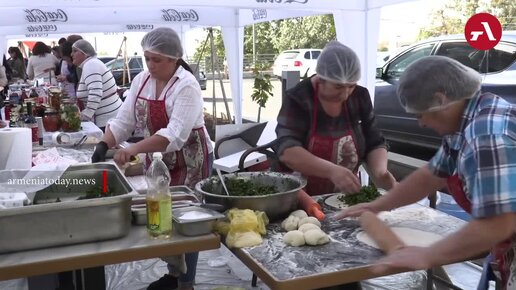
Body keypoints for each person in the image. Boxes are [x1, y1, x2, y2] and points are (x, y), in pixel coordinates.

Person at [336, 56, 516, 290]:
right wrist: (378, 205)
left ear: (441, 100)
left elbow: (497, 224)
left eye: (420, 115)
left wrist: (426, 256)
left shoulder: (486, 135)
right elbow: (431, 174)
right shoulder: (469, 119)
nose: (420, 124)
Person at [90, 27, 213, 290]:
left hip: (189, 159)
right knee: (161, 214)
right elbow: (125, 120)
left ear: (174, 59)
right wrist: (105, 142)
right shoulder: (142, 80)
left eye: (157, 59)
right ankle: (174, 273)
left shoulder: (186, 86)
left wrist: (134, 150)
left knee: (185, 218)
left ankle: (186, 282)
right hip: (157, 158)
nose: (150, 65)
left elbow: (174, 136)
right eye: (147, 58)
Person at [275, 41, 396, 196]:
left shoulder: (360, 96)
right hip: (301, 195)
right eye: (338, 87)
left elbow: (375, 142)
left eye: (351, 86)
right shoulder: (298, 98)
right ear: (320, 79)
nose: (345, 94)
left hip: (344, 196)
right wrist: (331, 171)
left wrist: (380, 174)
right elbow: (287, 150)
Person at [71, 39, 122, 131]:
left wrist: (87, 113)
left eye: (75, 51)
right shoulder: (91, 63)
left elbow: (95, 92)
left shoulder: (91, 65)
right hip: (107, 117)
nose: (71, 54)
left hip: (106, 118)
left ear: (84, 53)